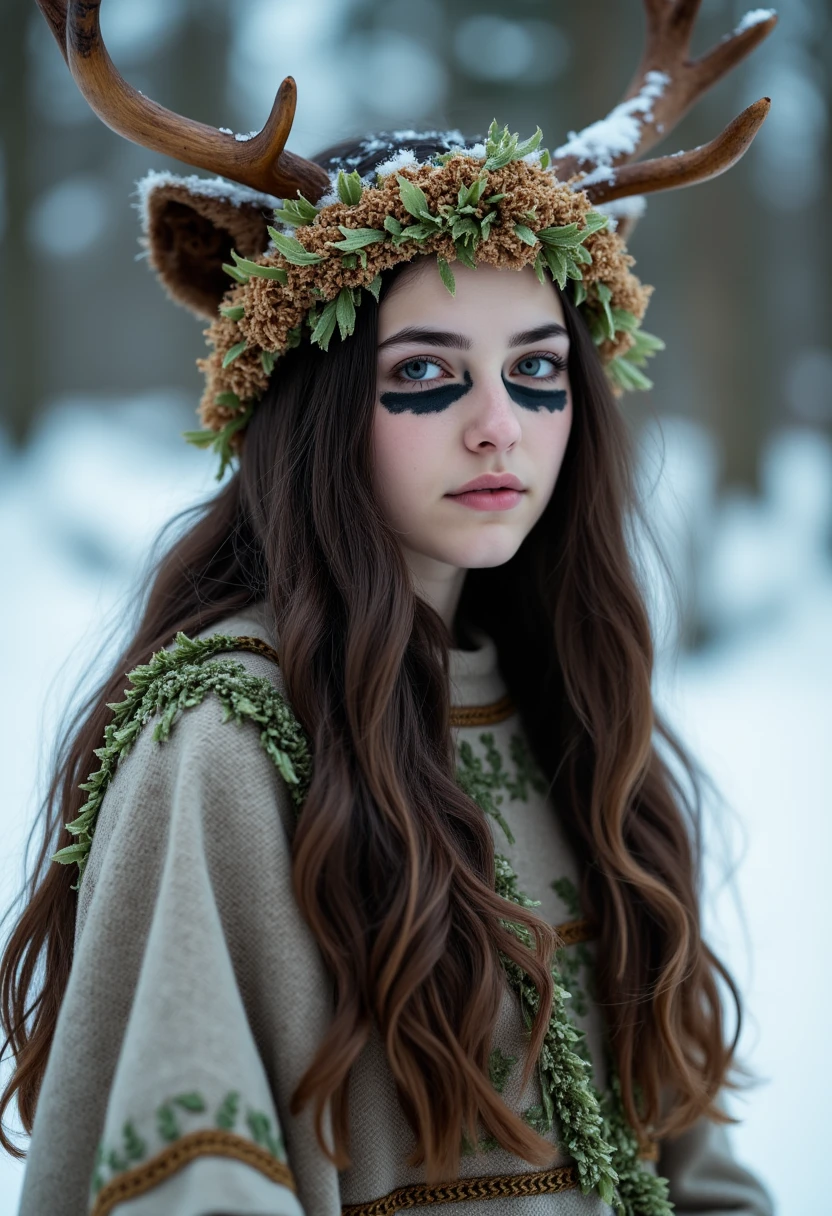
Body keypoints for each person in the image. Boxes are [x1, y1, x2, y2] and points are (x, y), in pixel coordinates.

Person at [2, 3, 779, 1214]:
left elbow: (700, 1174)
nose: (499, 426)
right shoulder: (222, 735)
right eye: (424, 374)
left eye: (537, 370)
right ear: (312, 401)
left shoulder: (572, 714)